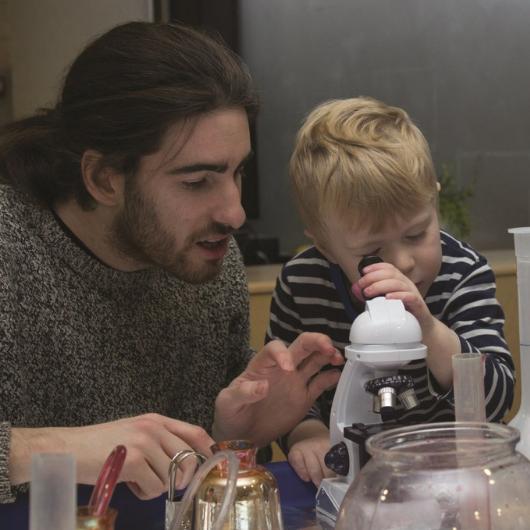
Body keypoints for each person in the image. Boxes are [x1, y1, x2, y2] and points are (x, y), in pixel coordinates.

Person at [0, 21, 345, 504]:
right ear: (103, 178)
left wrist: (233, 436)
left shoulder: (211, 262)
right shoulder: (10, 251)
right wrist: (45, 448)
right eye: (197, 181)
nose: (234, 212)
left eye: (236, 172)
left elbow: (191, 481)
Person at [267, 96, 515, 485]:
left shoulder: (464, 273)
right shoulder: (302, 285)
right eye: (371, 252)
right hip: (352, 475)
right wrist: (306, 433)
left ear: (432, 201)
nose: (403, 262)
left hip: (454, 473)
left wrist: (429, 329)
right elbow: (287, 391)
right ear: (326, 247)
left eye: (417, 234)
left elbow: (498, 397)